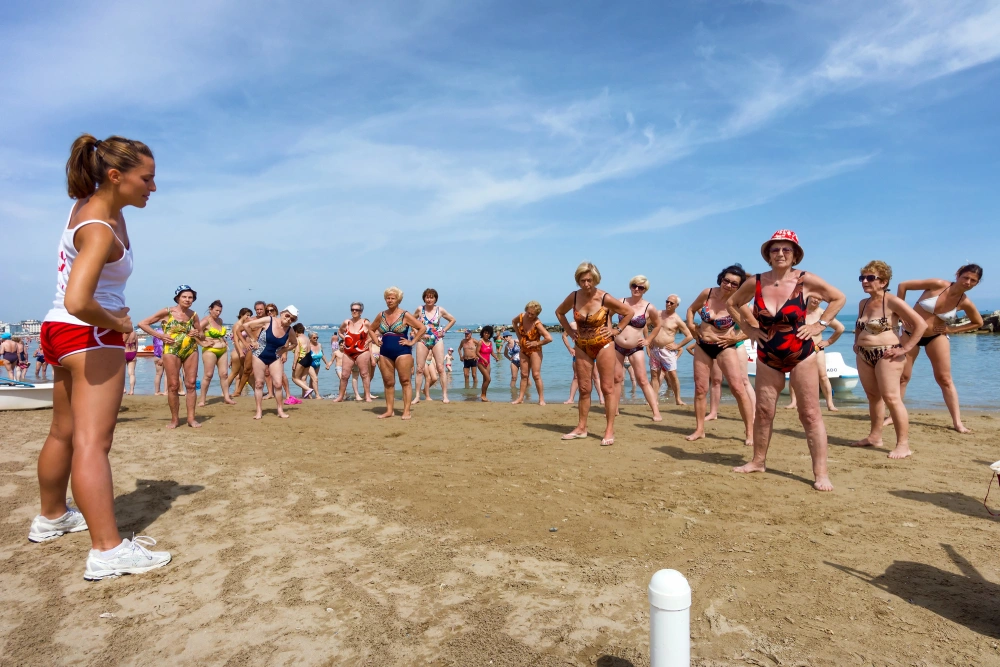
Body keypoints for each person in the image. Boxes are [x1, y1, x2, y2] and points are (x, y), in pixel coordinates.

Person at [34, 132, 170, 579]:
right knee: (94, 442)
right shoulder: (99, 227)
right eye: (146, 179)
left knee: (64, 433)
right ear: (116, 176)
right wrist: (120, 324)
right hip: (88, 334)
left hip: (59, 331)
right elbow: (79, 299)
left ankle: (52, 517)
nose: (153, 187)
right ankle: (108, 550)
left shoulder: (88, 208)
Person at [725, 230, 845, 491]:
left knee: (810, 414)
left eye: (786, 250)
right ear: (768, 254)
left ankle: (821, 474)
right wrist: (748, 330)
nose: (780, 253)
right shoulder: (756, 281)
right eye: (775, 249)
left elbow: (839, 298)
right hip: (767, 354)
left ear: (795, 255)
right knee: (765, 412)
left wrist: (820, 325)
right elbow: (732, 303)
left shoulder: (806, 280)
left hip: (801, 352)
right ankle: (758, 461)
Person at [893, 264, 984, 433]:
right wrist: (900, 313)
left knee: (945, 379)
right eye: (966, 277)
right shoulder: (937, 284)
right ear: (958, 275)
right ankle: (892, 417)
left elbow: (978, 322)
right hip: (909, 333)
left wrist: (951, 329)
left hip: (936, 337)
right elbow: (903, 286)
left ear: (976, 284)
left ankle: (957, 422)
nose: (968, 282)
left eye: (973, 281)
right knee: (903, 377)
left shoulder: (965, 302)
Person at [850, 261, 927, 459]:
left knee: (892, 398)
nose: (864, 281)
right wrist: (856, 342)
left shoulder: (892, 301)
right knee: (873, 396)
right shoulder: (863, 303)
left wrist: (906, 347)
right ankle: (875, 437)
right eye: (862, 278)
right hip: (864, 354)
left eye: (870, 278)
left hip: (887, 353)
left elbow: (921, 324)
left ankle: (903, 444)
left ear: (883, 282)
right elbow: (859, 325)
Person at [555, 262, 634, 446]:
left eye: (589, 280)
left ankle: (609, 430)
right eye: (582, 280)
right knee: (584, 389)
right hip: (581, 345)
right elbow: (559, 312)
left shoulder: (603, 296)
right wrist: (569, 330)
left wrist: (617, 330)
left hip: (604, 344)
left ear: (595, 279)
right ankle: (581, 428)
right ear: (578, 280)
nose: (586, 284)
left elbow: (628, 312)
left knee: (607, 388)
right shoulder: (574, 297)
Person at [686, 265, 756, 445]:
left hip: (724, 347)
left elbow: (754, 328)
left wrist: (735, 339)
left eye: (734, 283)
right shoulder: (707, 293)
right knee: (701, 390)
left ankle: (750, 432)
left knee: (738, 389)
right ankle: (700, 429)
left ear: (739, 286)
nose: (729, 285)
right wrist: (692, 327)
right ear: (721, 279)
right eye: (726, 280)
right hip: (703, 346)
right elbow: (691, 310)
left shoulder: (738, 303)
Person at [139, 286, 204, 429]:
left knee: (191, 384)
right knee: (173, 385)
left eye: (190, 297)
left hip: (191, 350)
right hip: (171, 350)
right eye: (184, 297)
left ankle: (191, 419)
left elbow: (202, 334)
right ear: (177, 298)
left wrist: (197, 333)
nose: (188, 300)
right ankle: (175, 419)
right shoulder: (167, 312)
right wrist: (160, 335)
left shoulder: (194, 315)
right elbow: (143, 324)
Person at [369, 287, 426, 419]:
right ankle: (389, 410)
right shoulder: (381, 315)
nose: (390, 300)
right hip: (384, 353)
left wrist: (412, 342)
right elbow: (371, 329)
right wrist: (376, 341)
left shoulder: (404, 314)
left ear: (398, 300)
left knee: (405, 380)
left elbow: (422, 328)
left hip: (402, 352)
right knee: (388, 382)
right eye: (388, 298)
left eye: (392, 298)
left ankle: (406, 411)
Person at [235, 306, 300, 419]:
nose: (289, 319)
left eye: (293, 319)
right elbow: (245, 326)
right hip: (259, 355)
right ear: (282, 313)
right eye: (288, 315)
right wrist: (253, 340)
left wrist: (284, 350)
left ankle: (280, 410)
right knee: (259, 383)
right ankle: (259, 411)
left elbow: (294, 343)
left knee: (278, 384)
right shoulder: (269, 320)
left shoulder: (289, 330)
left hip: (275, 357)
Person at [614, 276, 663, 421]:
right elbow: (606, 316)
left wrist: (648, 340)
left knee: (642, 380)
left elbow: (658, 325)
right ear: (630, 286)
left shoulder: (649, 307)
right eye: (634, 286)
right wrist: (609, 331)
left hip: (636, 348)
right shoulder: (621, 302)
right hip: (617, 346)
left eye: (640, 287)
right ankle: (614, 409)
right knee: (617, 378)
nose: (636, 289)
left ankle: (656, 412)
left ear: (645, 290)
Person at [784, 295, 845, 412]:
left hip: (816, 349)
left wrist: (828, 342)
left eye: (820, 299)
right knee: (794, 375)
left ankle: (830, 404)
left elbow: (840, 328)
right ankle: (793, 402)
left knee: (823, 376)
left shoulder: (823, 314)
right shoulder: (799, 310)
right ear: (809, 296)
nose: (816, 300)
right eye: (814, 297)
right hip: (798, 349)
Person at [412, 289, 456, 404]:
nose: (429, 299)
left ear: (435, 298)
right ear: (424, 298)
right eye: (427, 297)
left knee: (441, 368)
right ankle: (416, 396)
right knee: (420, 369)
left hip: (437, 339)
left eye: (431, 297)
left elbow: (452, 320)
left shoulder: (439, 310)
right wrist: (417, 333)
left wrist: (444, 331)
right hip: (423, 340)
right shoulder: (420, 309)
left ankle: (445, 395)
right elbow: (410, 321)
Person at [649, 295, 693, 405]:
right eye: (667, 301)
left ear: (676, 305)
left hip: (667, 351)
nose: (668, 304)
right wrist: (648, 340)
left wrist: (677, 346)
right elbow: (645, 324)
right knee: (654, 375)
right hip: (655, 350)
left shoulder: (677, 319)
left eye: (671, 303)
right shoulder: (658, 313)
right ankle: (654, 400)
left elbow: (689, 336)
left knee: (672, 375)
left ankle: (678, 399)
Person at [511, 301, 552, 405]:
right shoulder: (521, 316)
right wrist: (519, 337)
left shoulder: (537, 323)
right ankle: (520, 398)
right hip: (523, 349)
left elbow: (549, 338)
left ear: (537, 314)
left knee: (536, 375)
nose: (529, 315)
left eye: (532, 314)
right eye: (528, 312)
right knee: (524, 375)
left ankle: (541, 399)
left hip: (535, 351)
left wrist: (536, 343)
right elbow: (513, 322)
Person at [332, 302, 375, 402]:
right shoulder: (347, 322)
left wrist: (368, 341)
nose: (354, 311)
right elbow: (340, 331)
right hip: (348, 351)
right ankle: (340, 396)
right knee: (344, 375)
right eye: (352, 309)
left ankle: (367, 396)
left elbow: (376, 332)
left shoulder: (365, 323)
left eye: (357, 310)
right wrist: (345, 338)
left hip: (362, 351)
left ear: (361, 312)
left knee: (364, 374)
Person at [196, 300, 235, 407]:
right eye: (216, 310)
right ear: (210, 309)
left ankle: (226, 397)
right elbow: (193, 333)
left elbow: (219, 333)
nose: (218, 313)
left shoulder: (220, 320)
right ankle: (202, 400)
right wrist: (202, 343)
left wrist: (224, 340)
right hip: (210, 350)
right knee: (208, 375)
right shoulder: (205, 321)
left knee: (224, 374)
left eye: (220, 311)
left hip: (222, 350)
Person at [225, 307, 253, 398]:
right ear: (241, 315)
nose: (248, 317)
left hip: (246, 351)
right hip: (238, 351)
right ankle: (224, 392)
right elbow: (236, 341)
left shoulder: (246, 325)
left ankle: (239, 391)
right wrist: (240, 352)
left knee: (245, 372)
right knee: (234, 373)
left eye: (250, 315)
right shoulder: (237, 325)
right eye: (247, 315)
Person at [288, 323, 313, 401]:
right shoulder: (307, 338)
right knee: (303, 378)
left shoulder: (298, 339)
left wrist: (294, 364)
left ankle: (308, 389)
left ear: (295, 331)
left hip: (302, 358)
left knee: (294, 378)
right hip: (309, 358)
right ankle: (307, 396)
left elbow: (297, 352)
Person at [475, 325, 501, 401]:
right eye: (485, 333)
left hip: (488, 363)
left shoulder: (490, 342)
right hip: (481, 363)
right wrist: (483, 359)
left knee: (485, 380)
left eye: (488, 333)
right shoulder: (480, 342)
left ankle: (484, 396)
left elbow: (491, 352)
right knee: (488, 379)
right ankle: (483, 395)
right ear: (483, 333)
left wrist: (496, 357)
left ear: (490, 334)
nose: (486, 334)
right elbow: (477, 352)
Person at [307, 332, 325, 398]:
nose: (316, 339)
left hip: (318, 364)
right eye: (314, 338)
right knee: (315, 379)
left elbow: (322, 355)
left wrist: (327, 363)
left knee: (312, 380)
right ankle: (317, 395)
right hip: (309, 364)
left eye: (317, 337)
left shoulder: (319, 345)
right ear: (310, 338)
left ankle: (309, 394)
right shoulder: (308, 346)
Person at [152, 325, 165, 395]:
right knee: (166, 375)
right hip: (164, 355)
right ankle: (166, 391)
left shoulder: (155, 332)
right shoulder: (166, 332)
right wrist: (162, 358)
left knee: (158, 374)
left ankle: (157, 391)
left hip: (156, 355)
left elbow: (154, 343)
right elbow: (164, 346)